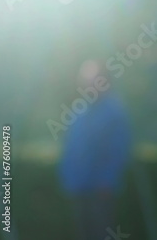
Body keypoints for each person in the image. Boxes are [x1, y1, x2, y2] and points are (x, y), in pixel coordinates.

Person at [59, 60, 132, 240]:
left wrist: (107, 179)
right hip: (79, 185)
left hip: (100, 188)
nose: (87, 83)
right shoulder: (81, 110)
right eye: (85, 79)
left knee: (101, 232)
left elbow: (118, 149)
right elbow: (72, 147)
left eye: (92, 79)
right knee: (84, 232)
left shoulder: (113, 111)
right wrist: (68, 177)